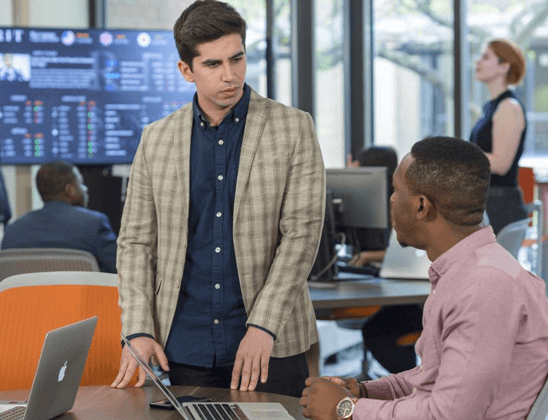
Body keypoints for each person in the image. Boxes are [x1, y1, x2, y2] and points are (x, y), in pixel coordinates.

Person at [111, 0, 325, 398]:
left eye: (237, 59)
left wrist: (263, 325)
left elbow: (301, 235)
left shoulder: (294, 128)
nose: (230, 75)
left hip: (269, 339)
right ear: (186, 70)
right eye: (213, 65)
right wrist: (137, 329)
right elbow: (136, 243)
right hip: (184, 343)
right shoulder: (156, 138)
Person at [301, 136, 548, 420]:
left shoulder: (484, 287)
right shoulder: (466, 272)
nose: (391, 199)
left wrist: (345, 410)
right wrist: (364, 391)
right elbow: (432, 378)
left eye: (396, 190)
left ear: (422, 206)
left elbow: (446, 415)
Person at [346, 146, 423, 375]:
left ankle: (406, 385)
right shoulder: (383, 200)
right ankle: (406, 385)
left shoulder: (398, 204)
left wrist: (368, 257)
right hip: (405, 292)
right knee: (378, 328)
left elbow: (404, 249)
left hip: (412, 298)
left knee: (377, 331)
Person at [1, 160, 117, 273]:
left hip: (26, 293)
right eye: (81, 183)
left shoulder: (13, 231)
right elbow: (120, 270)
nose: (85, 189)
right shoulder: (95, 224)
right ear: (70, 190)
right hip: (77, 293)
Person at [470, 38, 527, 234]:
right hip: (486, 203)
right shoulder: (490, 107)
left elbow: (502, 164)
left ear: (504, 66)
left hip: (501, 207)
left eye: (485, 57)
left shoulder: (509, 107)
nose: (477, 62)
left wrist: (460, 157)